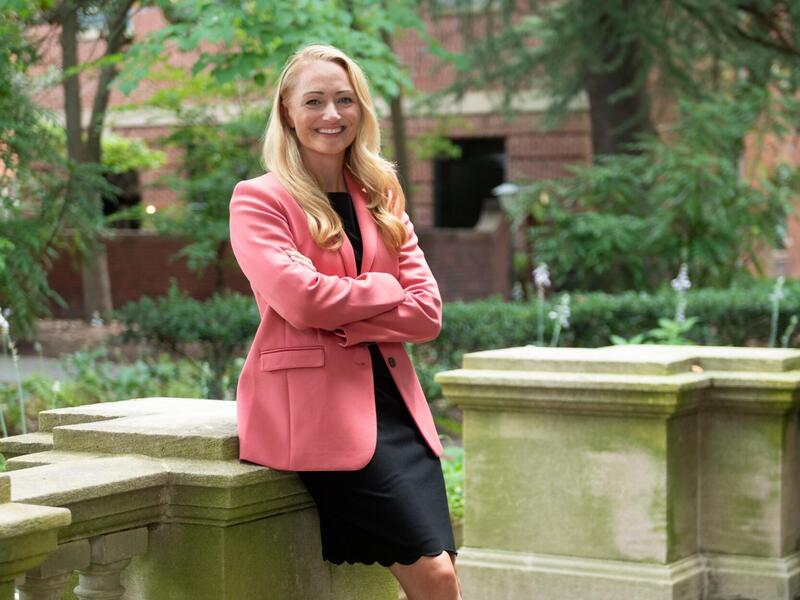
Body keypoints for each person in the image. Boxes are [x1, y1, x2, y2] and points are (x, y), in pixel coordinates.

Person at [228, 44, 462, 600]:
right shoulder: (260, 201)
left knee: (443, 572)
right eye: (314, 101)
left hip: (396, 409)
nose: (331, 115)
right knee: (433, 576)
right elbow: (302, 300)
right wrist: (384, 290)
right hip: (318, 413)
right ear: (287, 112)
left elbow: (427, 314)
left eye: (344, 100)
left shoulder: (381, 195)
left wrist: (348, 314)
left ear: (361, 110)